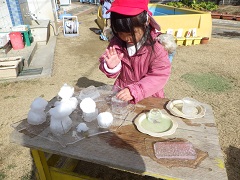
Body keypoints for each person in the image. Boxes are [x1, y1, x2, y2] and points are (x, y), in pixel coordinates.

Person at [99, 0, 171, 104]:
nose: (126, 38)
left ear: (146, 21)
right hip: (122, 93)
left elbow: (159, 75)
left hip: (148, 96)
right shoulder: (117, 42)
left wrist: (135, 91)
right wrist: (112, 67)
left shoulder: (157, 47)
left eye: (132, 33)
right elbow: (105, 60)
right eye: (120, 33)